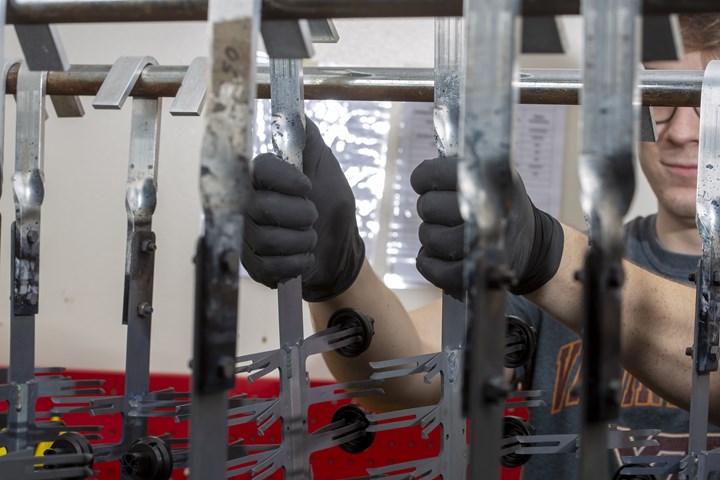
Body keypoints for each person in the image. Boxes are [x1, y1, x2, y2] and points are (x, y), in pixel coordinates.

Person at [241, 13, 720, 478]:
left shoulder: (555, 266)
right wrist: (340, 279)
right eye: (662, 97)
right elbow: (407, 377)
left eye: (712, 103)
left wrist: (547, 254)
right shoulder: (557, 277)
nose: (680, 131)